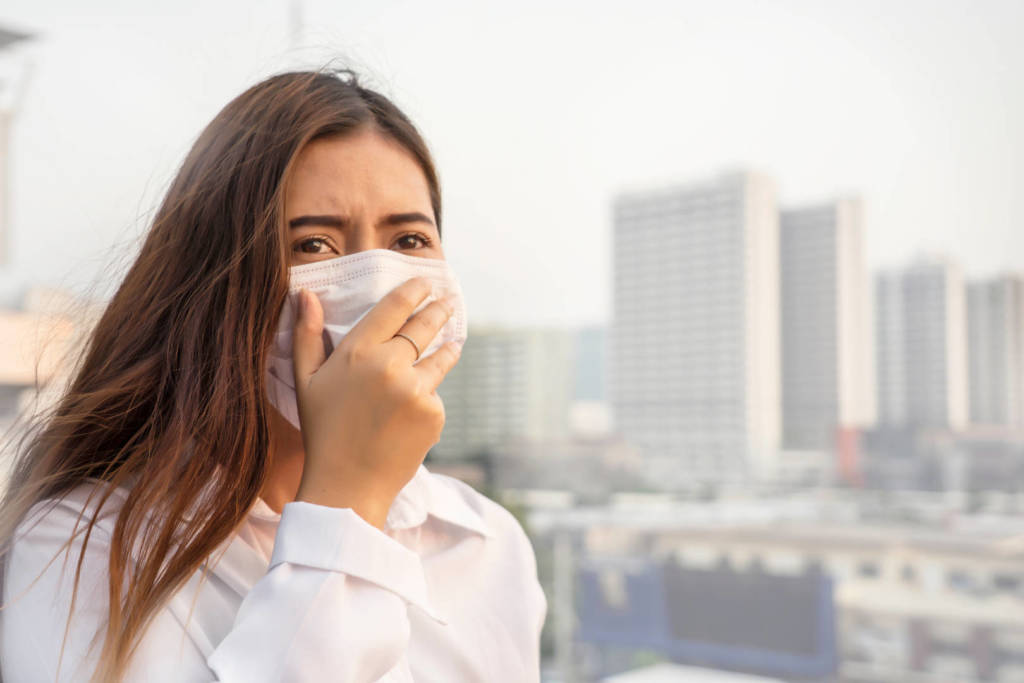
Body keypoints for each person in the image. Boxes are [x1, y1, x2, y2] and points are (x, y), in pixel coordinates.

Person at [0, 68, 547, 682]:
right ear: (213, 285)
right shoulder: (81, 549)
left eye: (410, 239)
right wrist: (347, 506)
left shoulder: (485, 546)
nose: (376, 282)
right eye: (314, 245)